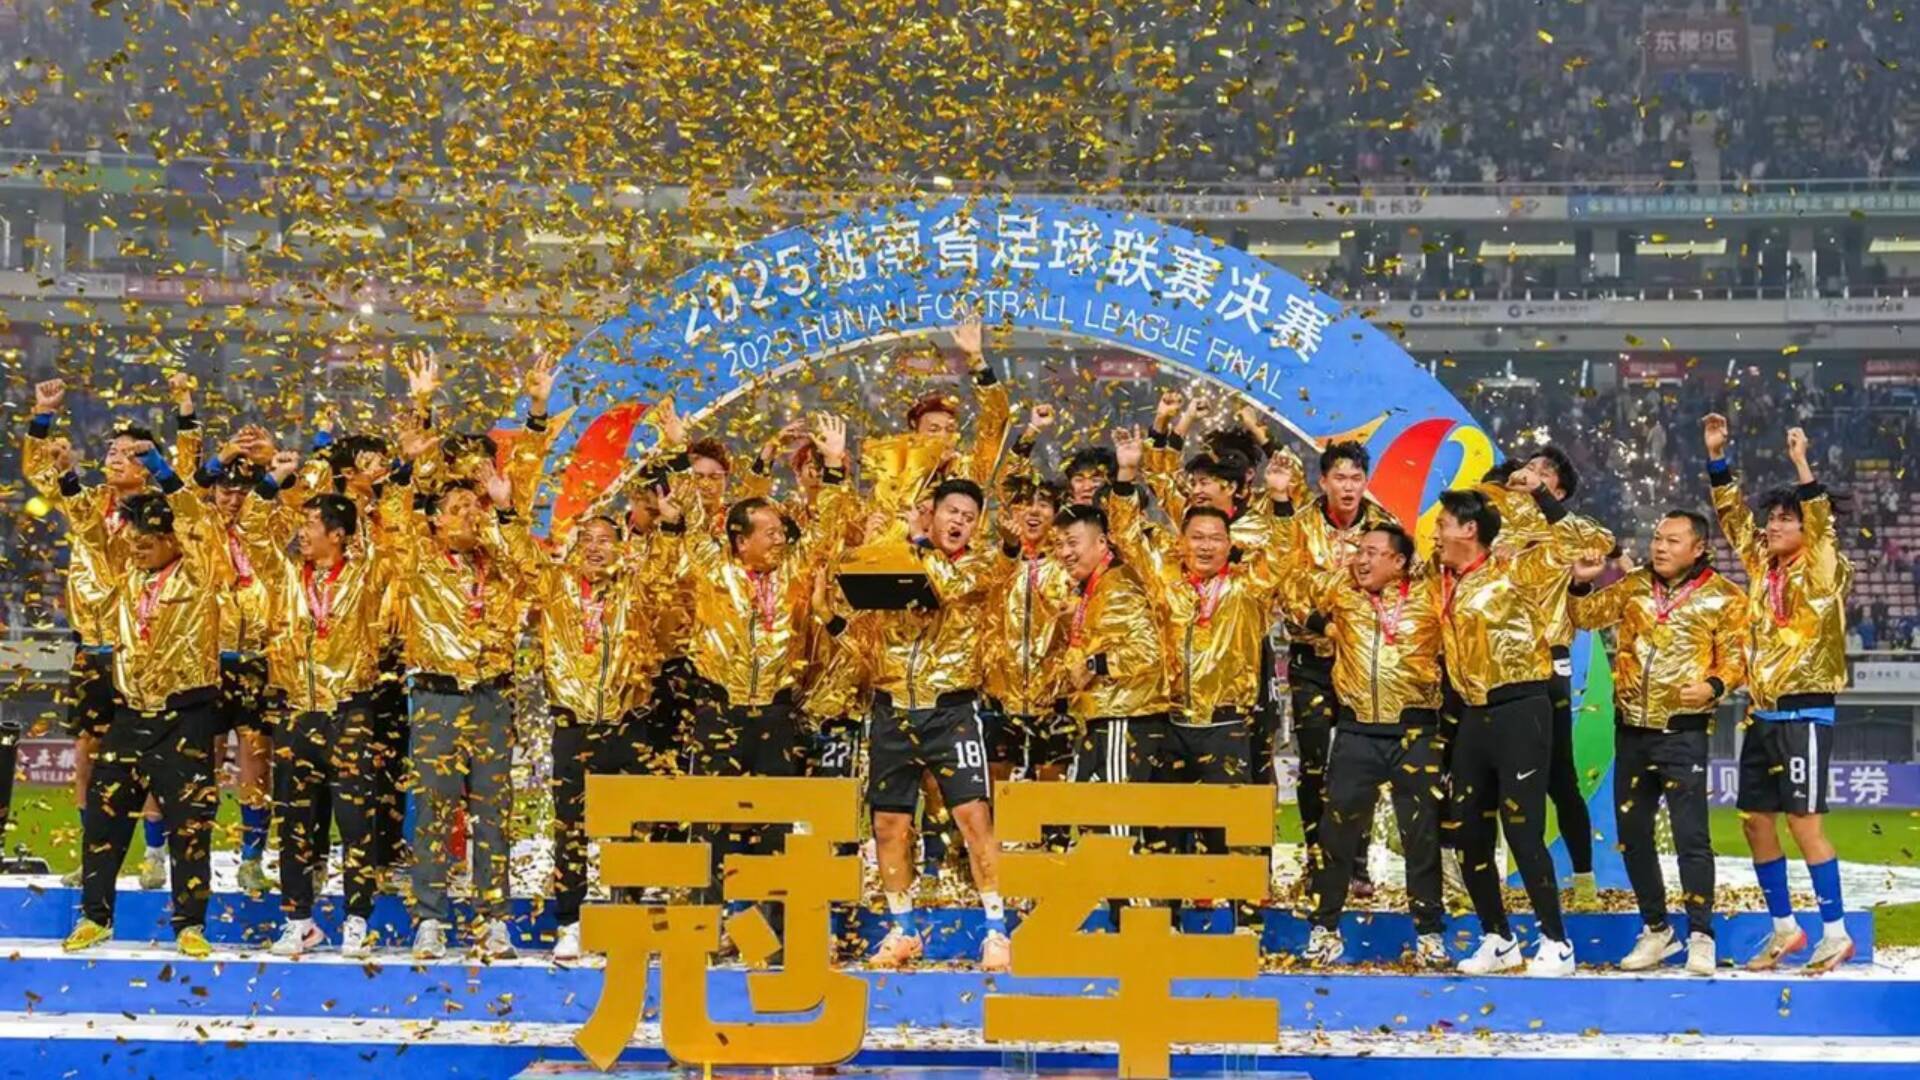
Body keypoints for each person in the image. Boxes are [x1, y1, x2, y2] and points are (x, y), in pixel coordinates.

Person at [655, 416, 851, 925]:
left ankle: (772, 925)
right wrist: (677, 452)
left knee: (774, 825)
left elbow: (827, 529)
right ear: (740, 540)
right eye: (769, 533)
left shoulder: (795, 570)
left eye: (782, 531)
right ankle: (707, 924)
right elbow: (690, 511)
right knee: (712, 822)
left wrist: (833, 465)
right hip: (718, 714)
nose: (781, 539)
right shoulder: (711, 567)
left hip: (776, 716)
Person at [842, 477, 1012, 972]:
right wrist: (885, 544)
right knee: (888, 824)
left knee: (974, 818)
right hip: (892, 708)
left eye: (969, 517)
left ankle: (996, 931)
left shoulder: (979, 566)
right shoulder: (897, 555)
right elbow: (854, 590)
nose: (959, 522)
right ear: (931, 512)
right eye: (951, 511)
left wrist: (914, 543)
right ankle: (903, 930)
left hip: (950, 712)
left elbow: (942, 588)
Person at [1705, 416, 1856, 972]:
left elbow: (1820, 525)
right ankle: (1785, 929)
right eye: (1771, 518)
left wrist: (1801, 466)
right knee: (1754, 821)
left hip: (1805, 712)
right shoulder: (1761, 566)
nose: (1771, 527)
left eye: (1784, 520)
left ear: (1807, 528)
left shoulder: (1824, 567)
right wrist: (1717, 460)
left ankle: (1836, 933)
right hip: (1762, 713)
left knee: (1804, 823)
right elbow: (1732, 520)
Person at [60, 445, 221, 960]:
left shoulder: (199, 574)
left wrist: (162, 472)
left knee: (189, 825)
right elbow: (90, 536)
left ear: (175, 539)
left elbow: (198, 522)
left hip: (185, 717)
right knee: (104, 818)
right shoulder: (125, 579)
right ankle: (95, 918)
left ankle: (190, 925)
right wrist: (67, 478)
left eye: (151, 539)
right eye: (135, 538)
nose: (140, 547)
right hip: (129, 715)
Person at [1571, 510, 1748, 976]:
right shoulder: (1633, 585)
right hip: (1631, 731)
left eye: (1672, 540)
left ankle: (1701, 935)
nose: (1660, 547)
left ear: (1698, 548)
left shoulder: (1725, 597)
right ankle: (1656, 929)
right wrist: (1581, 584)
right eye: (1656, 538)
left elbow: (1737, 658)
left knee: (1692, 838)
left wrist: (1713, 685)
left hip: (1682, 732)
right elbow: (1585, 617)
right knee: (1632, 838)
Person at [1431, 486, 1595, 976]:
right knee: (1469, 830)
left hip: (1521, 707)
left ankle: (1556, 942)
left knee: (1521, 827)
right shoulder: (1442, 577)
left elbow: (1585, 542)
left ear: (1469, 529)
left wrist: (1541, 494)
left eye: (1442, 524)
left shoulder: (1516, 569)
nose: (1435, 532)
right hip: (1472, 713)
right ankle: (1498, 939)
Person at [22, 377, 175, 890]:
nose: (114, 457)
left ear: (147, 464)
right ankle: (92, 857)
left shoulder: (161, 514)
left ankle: (154, 853)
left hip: (145, 648)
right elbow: (40, 474)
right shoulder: (88, 503)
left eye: (128, 453)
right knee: (86, 751)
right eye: (111, 449)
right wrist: (43, 417)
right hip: (93, 646)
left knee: (150, 755)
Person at [391, 388, 528, 960]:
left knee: (493, 812)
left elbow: (537, 577)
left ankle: (494, 917)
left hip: (492, 698)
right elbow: (395, 516)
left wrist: (506, 512)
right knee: (435, 812)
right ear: (435, 519)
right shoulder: (418, 560)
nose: (469, 515)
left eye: (476, 507)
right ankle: (429, 918)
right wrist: (417, 430)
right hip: (438, 697)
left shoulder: (501, 564)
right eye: (457, 508)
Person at [1277, 520, 1449, 969]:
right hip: (1355, 733)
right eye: (1359, 551)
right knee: (1335, 836)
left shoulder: (1430, 595)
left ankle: (1430, 934)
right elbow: (1290, 589)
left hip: (1415, 732)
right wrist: (1321, 625)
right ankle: (1324, 930)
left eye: (1373, 552)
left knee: (1421, 838)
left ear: (1399, 561)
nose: (1361, 559)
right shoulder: (1343, 592)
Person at [241, 455, 394, 957]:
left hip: (349, 713)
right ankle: (299, 920)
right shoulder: (286, 575)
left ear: (338, 534)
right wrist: (273, 480)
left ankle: (357, 918)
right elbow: (253, 531)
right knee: (295, 825)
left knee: (355, 822)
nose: (301, 532)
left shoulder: (366, 576)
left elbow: (401, 539)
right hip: (294, 713)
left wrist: (379, 489)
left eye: (310, 524)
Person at [503, 509, 658, 962]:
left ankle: (627, 919)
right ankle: (570, 922)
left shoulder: (637, 585)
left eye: (605, 539)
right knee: (570, 828)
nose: (594, 547)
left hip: (628, 723)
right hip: (573, 725)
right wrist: (507, 513)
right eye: (586, 538)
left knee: (633, 829)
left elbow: (669, 568)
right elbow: (523, 557)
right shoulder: (556, 586)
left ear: (621, 546)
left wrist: (666, 525)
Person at [1503, 445, 1617, 906]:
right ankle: (1490, 879)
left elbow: (1604, 541)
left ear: (1560, 491)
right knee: (1491, 776)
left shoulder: (1566, 532)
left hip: (1548, 662)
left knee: (1559, 777)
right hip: (1494, 666)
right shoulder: (1497, 524)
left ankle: (1583, 879)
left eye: (1544, 473)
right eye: (1529, 468)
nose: (1531, 475)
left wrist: (1541, 499)